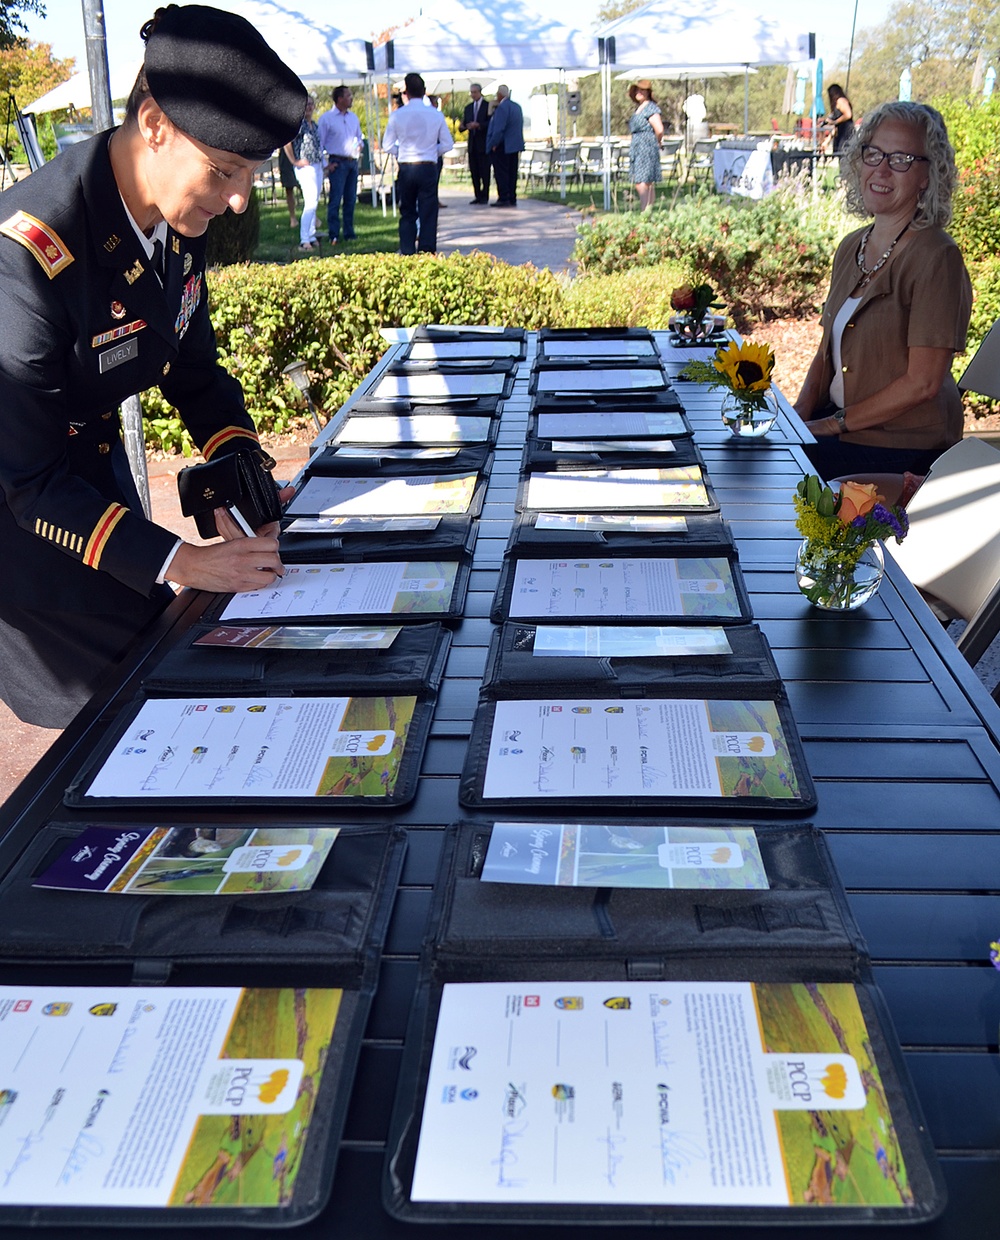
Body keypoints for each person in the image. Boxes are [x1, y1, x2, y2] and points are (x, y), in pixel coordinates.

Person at [0, 3, 306, 728]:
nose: (237, 200)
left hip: (95, 490)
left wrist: (240, 466)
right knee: (119, 717)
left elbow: (190, 362)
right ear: (155, 126)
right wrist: (182, 560)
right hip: (24, 529)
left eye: (252, 175)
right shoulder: (26, 256)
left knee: (161, 676)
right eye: (225, 170)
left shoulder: (175, 209)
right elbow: (30, 481)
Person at [794, 101, 972, 481]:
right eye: (873, 153)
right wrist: (797, 418)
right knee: (748, 453)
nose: (882, 169)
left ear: (928, 175)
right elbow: (826, 351)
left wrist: (830, 426)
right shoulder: (852, 246)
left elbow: (922, 384)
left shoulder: (937, 256)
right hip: (843, 429)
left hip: (904, 446)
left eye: (902, 159)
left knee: (773, 478)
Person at [381, 72, 453, 255]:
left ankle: (407, 249)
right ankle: (427, 251)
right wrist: (431, 151)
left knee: (407, 211)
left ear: (406, 92)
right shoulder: (435, 115)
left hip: (407, 166)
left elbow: (387, 145)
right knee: (428, 211)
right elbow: (447, 144)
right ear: (424, 91)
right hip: (428, 165)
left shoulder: (397, 116)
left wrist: (402, 152)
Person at [318, 85, 362, 246]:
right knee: (335, 199)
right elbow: (319, 144)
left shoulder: (353, 118)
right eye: (348, 95)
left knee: (350, 199)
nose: (351, 98)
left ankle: (349, 232)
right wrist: (326, 164)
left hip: (352, 162)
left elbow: (359, 137)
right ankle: (334, 234)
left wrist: (359, 145)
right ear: (340, 99)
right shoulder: (327, 119)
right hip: (337, 162)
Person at [284, 93, 322, 252]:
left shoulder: (314, 124)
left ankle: (311, 235)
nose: (309, 107)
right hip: (304, 167)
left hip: (317, 165)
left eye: (311, 104)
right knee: (310, 202)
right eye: (306, 104)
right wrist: (294, 161)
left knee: (315, 201)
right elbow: (287, 142)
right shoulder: (298, 124)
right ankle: (304, 239)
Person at [486, 84, 524, 208]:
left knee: (501, 172)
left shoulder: (502, 108)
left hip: (503, 146)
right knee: (512, 172)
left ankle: (504, 197)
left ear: (500, 94)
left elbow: (499, 129)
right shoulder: (517, 107)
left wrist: (493, 144)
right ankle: (512, 197)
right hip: (515, 145)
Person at [628, 80, 664, 211]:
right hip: (638, 146)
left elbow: (659, 129)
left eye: (642, 90)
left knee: (642, 182)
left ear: (648, 92)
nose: (639, 92)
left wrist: (657, 142)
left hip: (646, 146)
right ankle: (648, 211)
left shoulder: (650, 108)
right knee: (645, 182)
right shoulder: (640, 108)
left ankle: (645, 212)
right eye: (636, 90)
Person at [460, 82, 490, 205]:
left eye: (474, 92)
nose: (473, 95)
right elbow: (463, 124)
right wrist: (463, 126)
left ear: (480, 92)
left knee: (485, 172)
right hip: (472, 145)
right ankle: (477, 195)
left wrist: (479, 125)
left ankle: (485, 195)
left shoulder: (487, 106)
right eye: (471, 92)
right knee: (474, 172)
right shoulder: (468, 108)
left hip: (483, 144)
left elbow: (491, 123)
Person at [826, 83, 855, 154]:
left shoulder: (841, 101)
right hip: (840, 134)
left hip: (846, 134)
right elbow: (836, 128)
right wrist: (827, 140)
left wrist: (835, 121)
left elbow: (848, 114)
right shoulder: (837, 104)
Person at [276, 146, 298, 229]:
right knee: (289, 188)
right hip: (286, 155)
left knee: (306, 187)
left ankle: (313, 216)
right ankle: (293, 218)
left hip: (299, 149)